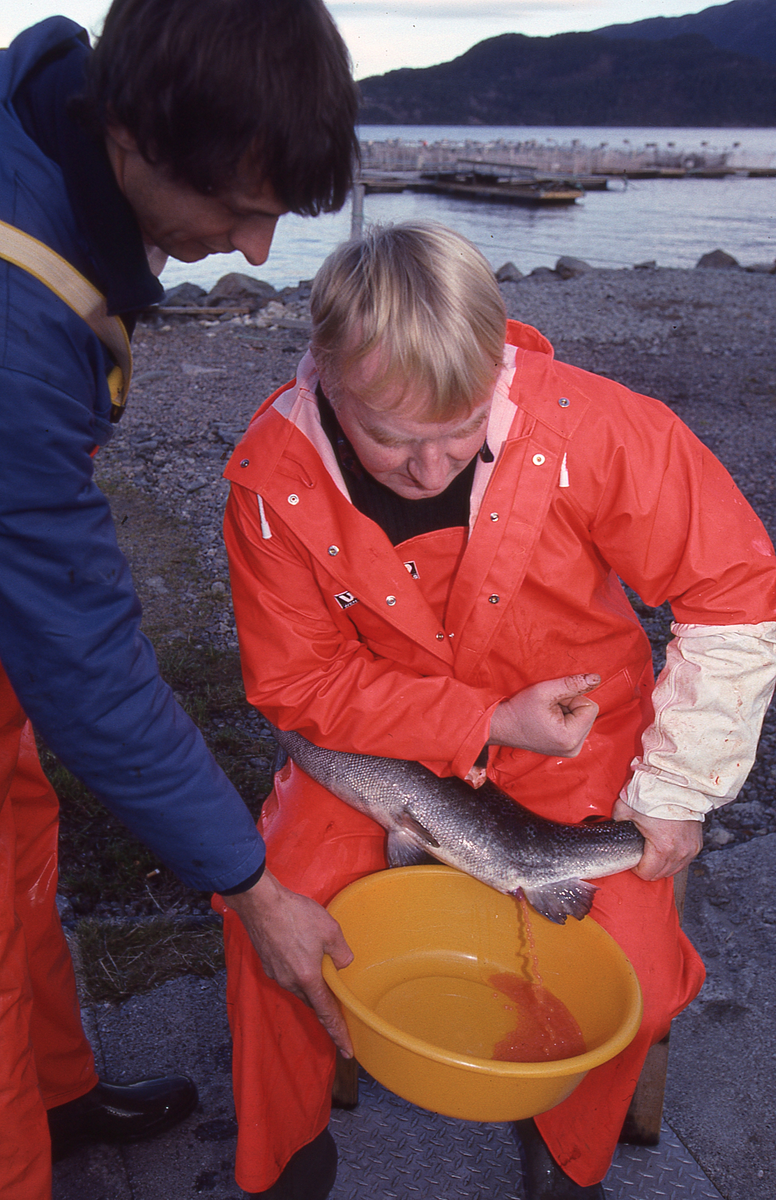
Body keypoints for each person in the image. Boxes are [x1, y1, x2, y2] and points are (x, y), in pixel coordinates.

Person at [217, 221, 776, 1199]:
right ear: (323, 375)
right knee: (272, 925)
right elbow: (297, 689)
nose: (425, 470)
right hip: (370, 755)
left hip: (579, 751)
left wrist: (679, 789)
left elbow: (732, 591)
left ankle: (570, 1164)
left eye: (458, 431)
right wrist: (479, 720)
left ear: (497, 368)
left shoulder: (599, 427)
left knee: (633, 987)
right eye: (387, 436)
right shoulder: (270, 481)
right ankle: (289, 1159)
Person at [0, 2, 359, 1197]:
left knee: (24, 840)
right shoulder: (12, 314)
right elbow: (86, 656)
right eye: (238, 210)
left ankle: (56, 1093)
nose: (256, 252)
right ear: (136, 136)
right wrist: (250, 884)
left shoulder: (60, 145)